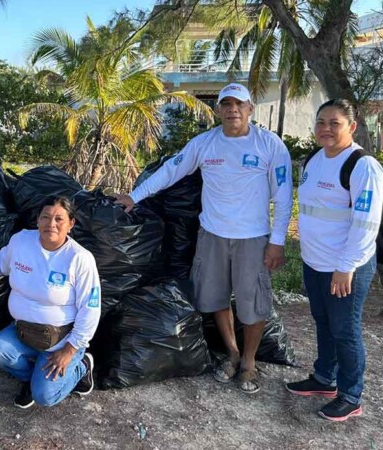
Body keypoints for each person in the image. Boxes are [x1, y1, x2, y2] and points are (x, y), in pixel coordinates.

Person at [115, 83, 293, 394]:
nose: (232, 110)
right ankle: (232, 353)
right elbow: (170, 171)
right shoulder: (205, 143)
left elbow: (284, 196)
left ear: (251, 109)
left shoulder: (270, 145)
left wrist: (277, 241)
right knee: (214, 298)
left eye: (239, 104)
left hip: (253, 238)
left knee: (253, 303)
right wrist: (134, 196)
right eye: (226, 104)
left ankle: (249, 361)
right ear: (217, 110)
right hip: (211, 235)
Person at [285, 99, 383, 421]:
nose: (325, 129)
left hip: (345, 266)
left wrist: (346, 267)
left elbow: (366, 222)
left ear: (352, 127)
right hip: (314, 261)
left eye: (334, 123)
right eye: (321, 122)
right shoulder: (313, 160)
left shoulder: (362, 166)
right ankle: (324, 378)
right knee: (323, 321)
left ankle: (351, 395)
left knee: (345, 329)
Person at [0, 196, 101, 408]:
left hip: (60, 340)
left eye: (59, 219)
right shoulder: (22, 241)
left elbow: (91, 308)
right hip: (24, 331)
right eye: (46, 217)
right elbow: (0, 262)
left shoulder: (79, 258)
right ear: (37, 221)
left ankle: (82, 366)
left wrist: (69, 350)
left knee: (45, 397)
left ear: (71, 224)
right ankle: (31, 379)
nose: (51, 224)